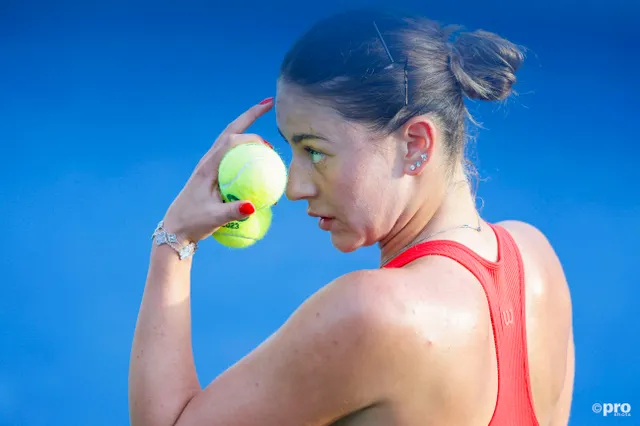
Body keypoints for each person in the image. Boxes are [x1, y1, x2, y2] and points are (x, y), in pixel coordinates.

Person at [128, 8, 574, 426]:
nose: (293, 187)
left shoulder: (370, 313)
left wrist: (174, 240)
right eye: (291, 150)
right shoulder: (536, 261)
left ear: (416, 144)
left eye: (315, 151)